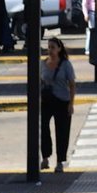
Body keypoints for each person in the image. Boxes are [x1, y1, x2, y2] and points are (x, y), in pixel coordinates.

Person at [39, 36, 76, 173]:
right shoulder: (43, 64)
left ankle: (60, 161)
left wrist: (71, 104)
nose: (50, 50)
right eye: (49, 47)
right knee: (43, 129)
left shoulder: (66, 64)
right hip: (47, 101)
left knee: (62, 132)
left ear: (59, 49)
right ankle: (45, 157)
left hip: (62, 101)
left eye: (53, 47)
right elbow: (39, 82)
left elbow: (72, 84)